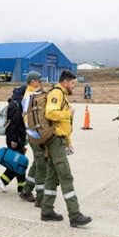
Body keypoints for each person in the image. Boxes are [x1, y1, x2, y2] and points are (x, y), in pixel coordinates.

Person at [41, 70, 92, 228]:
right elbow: (50, 113)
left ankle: (47, 210)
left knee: (52, 177)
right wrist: (67, 113)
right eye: (73, 84)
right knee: (66, 177)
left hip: (59, 140)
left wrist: (68, 140)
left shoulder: (63, 95)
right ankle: (75, 215)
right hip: (55, 142)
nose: (74, 87)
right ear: (65, 82)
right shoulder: (57, 93)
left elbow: (63, 125)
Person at [6, 71, 45, 204]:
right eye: (39, 80)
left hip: (35, 135)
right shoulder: (29, 96)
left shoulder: (33, 94)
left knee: (38, 163)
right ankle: (39, 196)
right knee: (40, 165)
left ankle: (26, 190)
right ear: (33, 82)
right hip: (35, 135)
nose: (41, 82)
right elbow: (24, 120)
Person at [0, 84, 30, 198]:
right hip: (14, 138)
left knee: (17, 163)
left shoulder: (15, 103)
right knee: (19, 163)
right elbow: (15, 125)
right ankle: (7, 182)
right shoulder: (17, 106)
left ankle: (20, 187)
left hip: (16, 138)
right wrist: (15, 140)